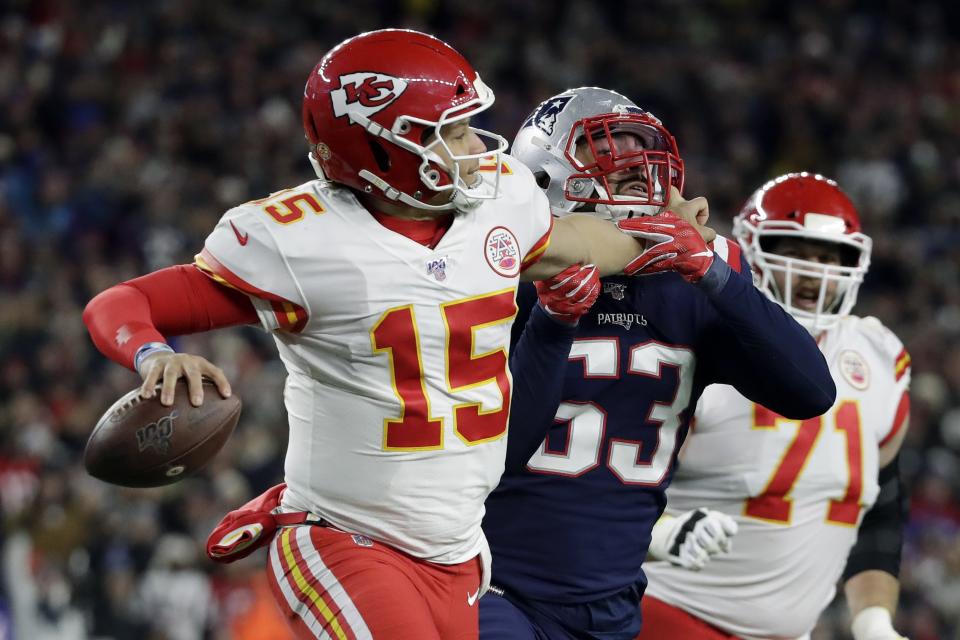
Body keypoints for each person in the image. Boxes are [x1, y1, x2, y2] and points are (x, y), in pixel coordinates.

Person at [81, 31, 663, 640]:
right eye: (454, 132)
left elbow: (581, 244)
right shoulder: (301, 239)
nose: (476, 147)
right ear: (386, 149)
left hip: (458, 553)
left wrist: (672, 239)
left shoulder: (501, 202)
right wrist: (152, 355)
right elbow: (123, 302)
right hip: (347, 541)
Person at [478, 87, 837, 640]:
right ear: (546, 179)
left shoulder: (690, 278)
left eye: (649, 176)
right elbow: (495, 455)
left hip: (615, 600)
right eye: (622, 177)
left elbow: (810, 391)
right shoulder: (503, 266)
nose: (646, 193)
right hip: (495, 586)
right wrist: (553, 320)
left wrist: (713, 274)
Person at [640, 173, 911, 640]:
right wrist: (663, 533)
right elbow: (605, 485)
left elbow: (880, 507)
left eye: (829, 257)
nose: (814, 272)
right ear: (750, 249)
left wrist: (873, 620)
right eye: (795, 253)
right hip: (669, 613)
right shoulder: (701, 339)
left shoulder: (880, 355)